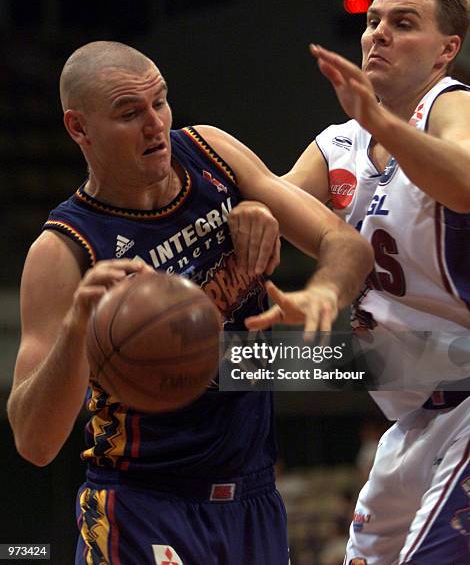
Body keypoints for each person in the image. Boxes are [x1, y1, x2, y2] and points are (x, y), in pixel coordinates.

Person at [7, 41, 372, 565]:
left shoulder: (211, 153)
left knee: (417, 360)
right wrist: (77, 327)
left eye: (160, 102)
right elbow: (33, 442)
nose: (155, 124)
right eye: (130, 113)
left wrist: (322, 292)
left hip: (253, 499)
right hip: (141, 503)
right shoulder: (64, 250)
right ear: (79, 129)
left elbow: (346, 244)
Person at [244, 0, 470, 565]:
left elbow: (467, 181)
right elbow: (274, 199)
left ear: (448, 49)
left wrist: (383, 122)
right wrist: (247, 213)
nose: (378, 35)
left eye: (403, 23)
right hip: (412, 414)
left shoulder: (454, 108)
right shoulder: (337, 144)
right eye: (373, 22)